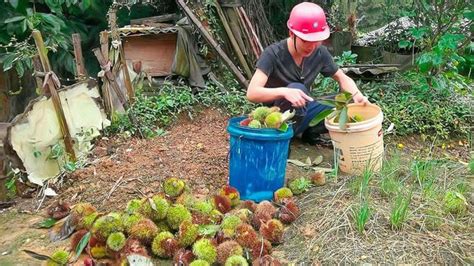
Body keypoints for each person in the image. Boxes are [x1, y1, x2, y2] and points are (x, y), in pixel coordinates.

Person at [246, 2, 369, 145]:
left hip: (304, 108)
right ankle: (284, 137)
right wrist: (284, 92)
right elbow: (252, 93)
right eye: (306, 40)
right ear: (292, 34)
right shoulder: (273, 54)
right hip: (277, 116)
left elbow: (342, 78)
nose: (311, 46)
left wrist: (357, 95)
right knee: (297, 89)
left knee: (350, 100)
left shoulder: (320, 53)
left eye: (316, 41)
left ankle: (309, 132)